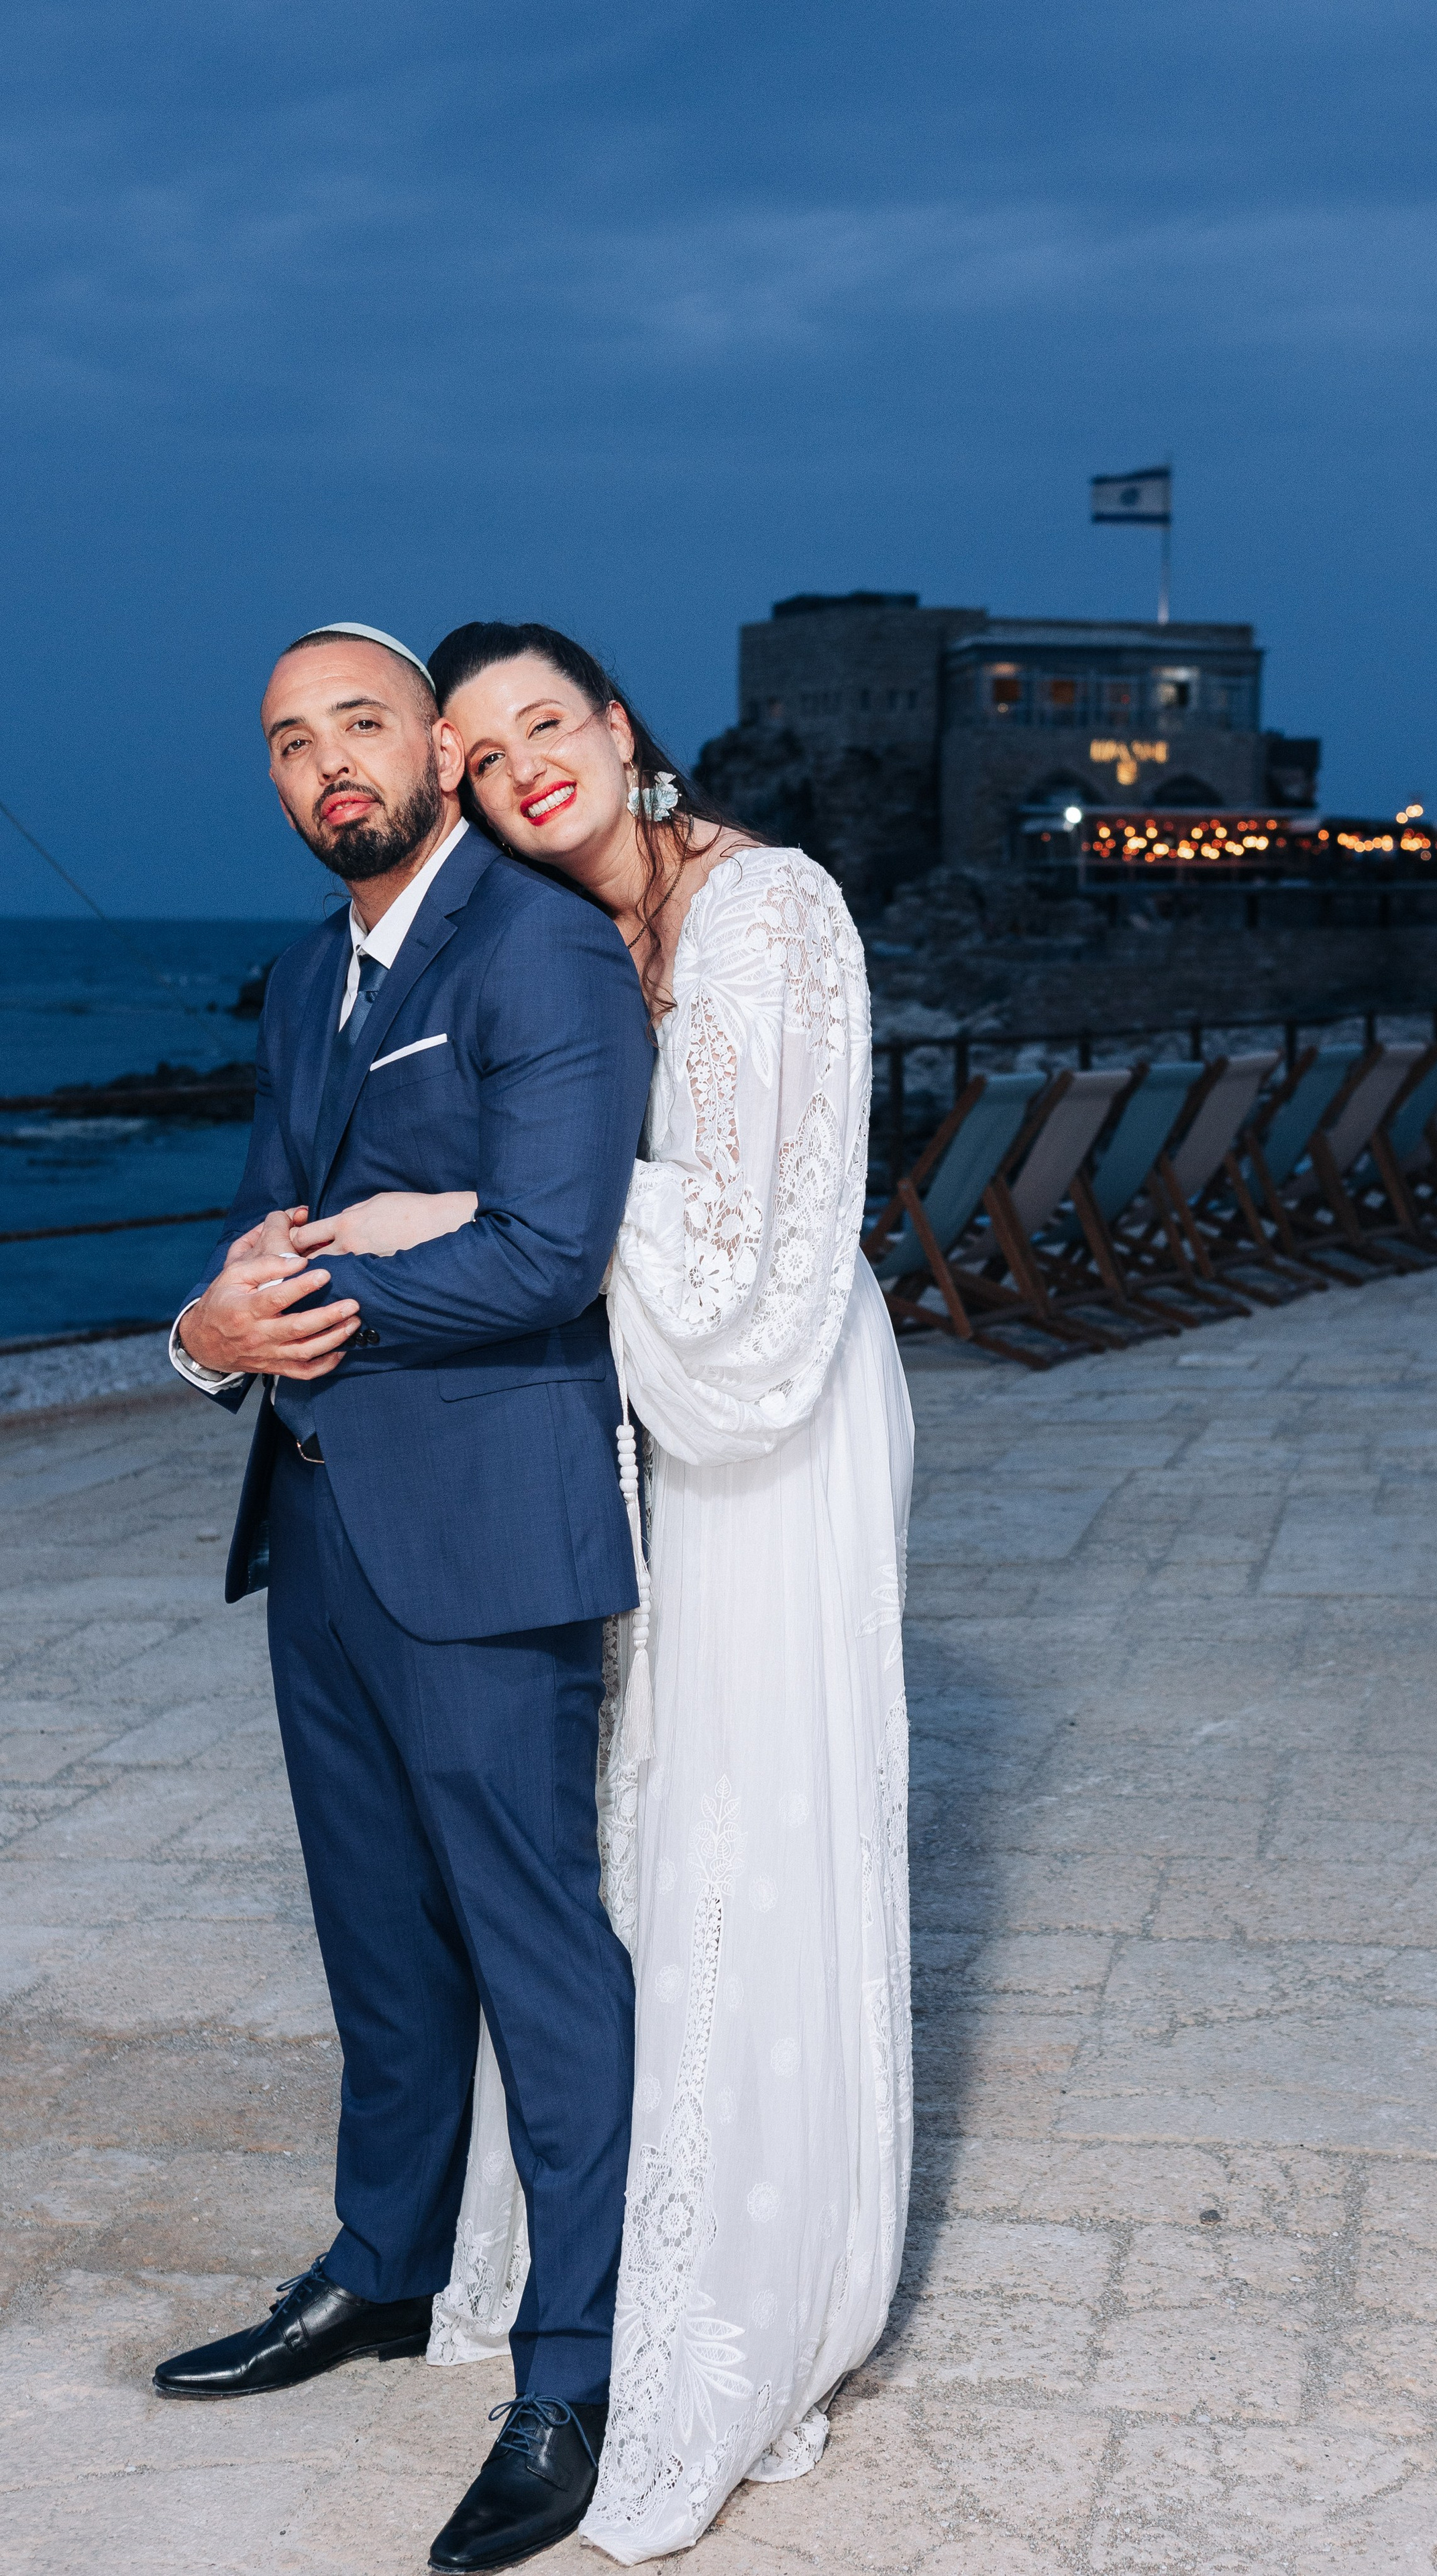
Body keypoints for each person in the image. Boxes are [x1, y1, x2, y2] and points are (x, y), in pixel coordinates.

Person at [282, 620, 916, 2563]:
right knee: (635, 1836)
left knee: (740, 1831)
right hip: (638, 1418)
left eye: (545, 722)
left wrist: (467, 1216)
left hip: (773, 1411)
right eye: (476, 752)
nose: (516, 765)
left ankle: (730, 2273)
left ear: (621, 728)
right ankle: (605, 2244)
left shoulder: (765, 907)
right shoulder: (571, 944)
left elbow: (733, 1245)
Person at [151, 622, 657, 2576]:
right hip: (320, 1523)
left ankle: (572, 2367)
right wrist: (212, 1335)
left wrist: (301, 1307)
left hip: (485, 1532)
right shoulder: (302, 975)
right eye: (289, 743)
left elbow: (550, 1251)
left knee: (538, 1950)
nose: (325, 764)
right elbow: (270, 1237)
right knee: (377, 1938)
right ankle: (380, 2267)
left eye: (360, 723)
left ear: (437, 755)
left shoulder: (537, 949)